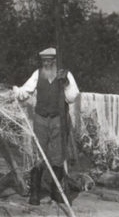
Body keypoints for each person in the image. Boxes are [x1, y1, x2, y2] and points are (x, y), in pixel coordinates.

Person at [12, 47, 80, 205]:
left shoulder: (66, 74)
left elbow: (71, 98)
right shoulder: (37, 74)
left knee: (58, 156)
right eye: (44, 62)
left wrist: (66, 84)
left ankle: (56, 191)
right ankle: (35, 193)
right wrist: (14, 91)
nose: (46, 65)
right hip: (41, 119)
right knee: (38, 155)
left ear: (55, 61)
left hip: (58, 119)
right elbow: (24, 92)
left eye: (49, 61)